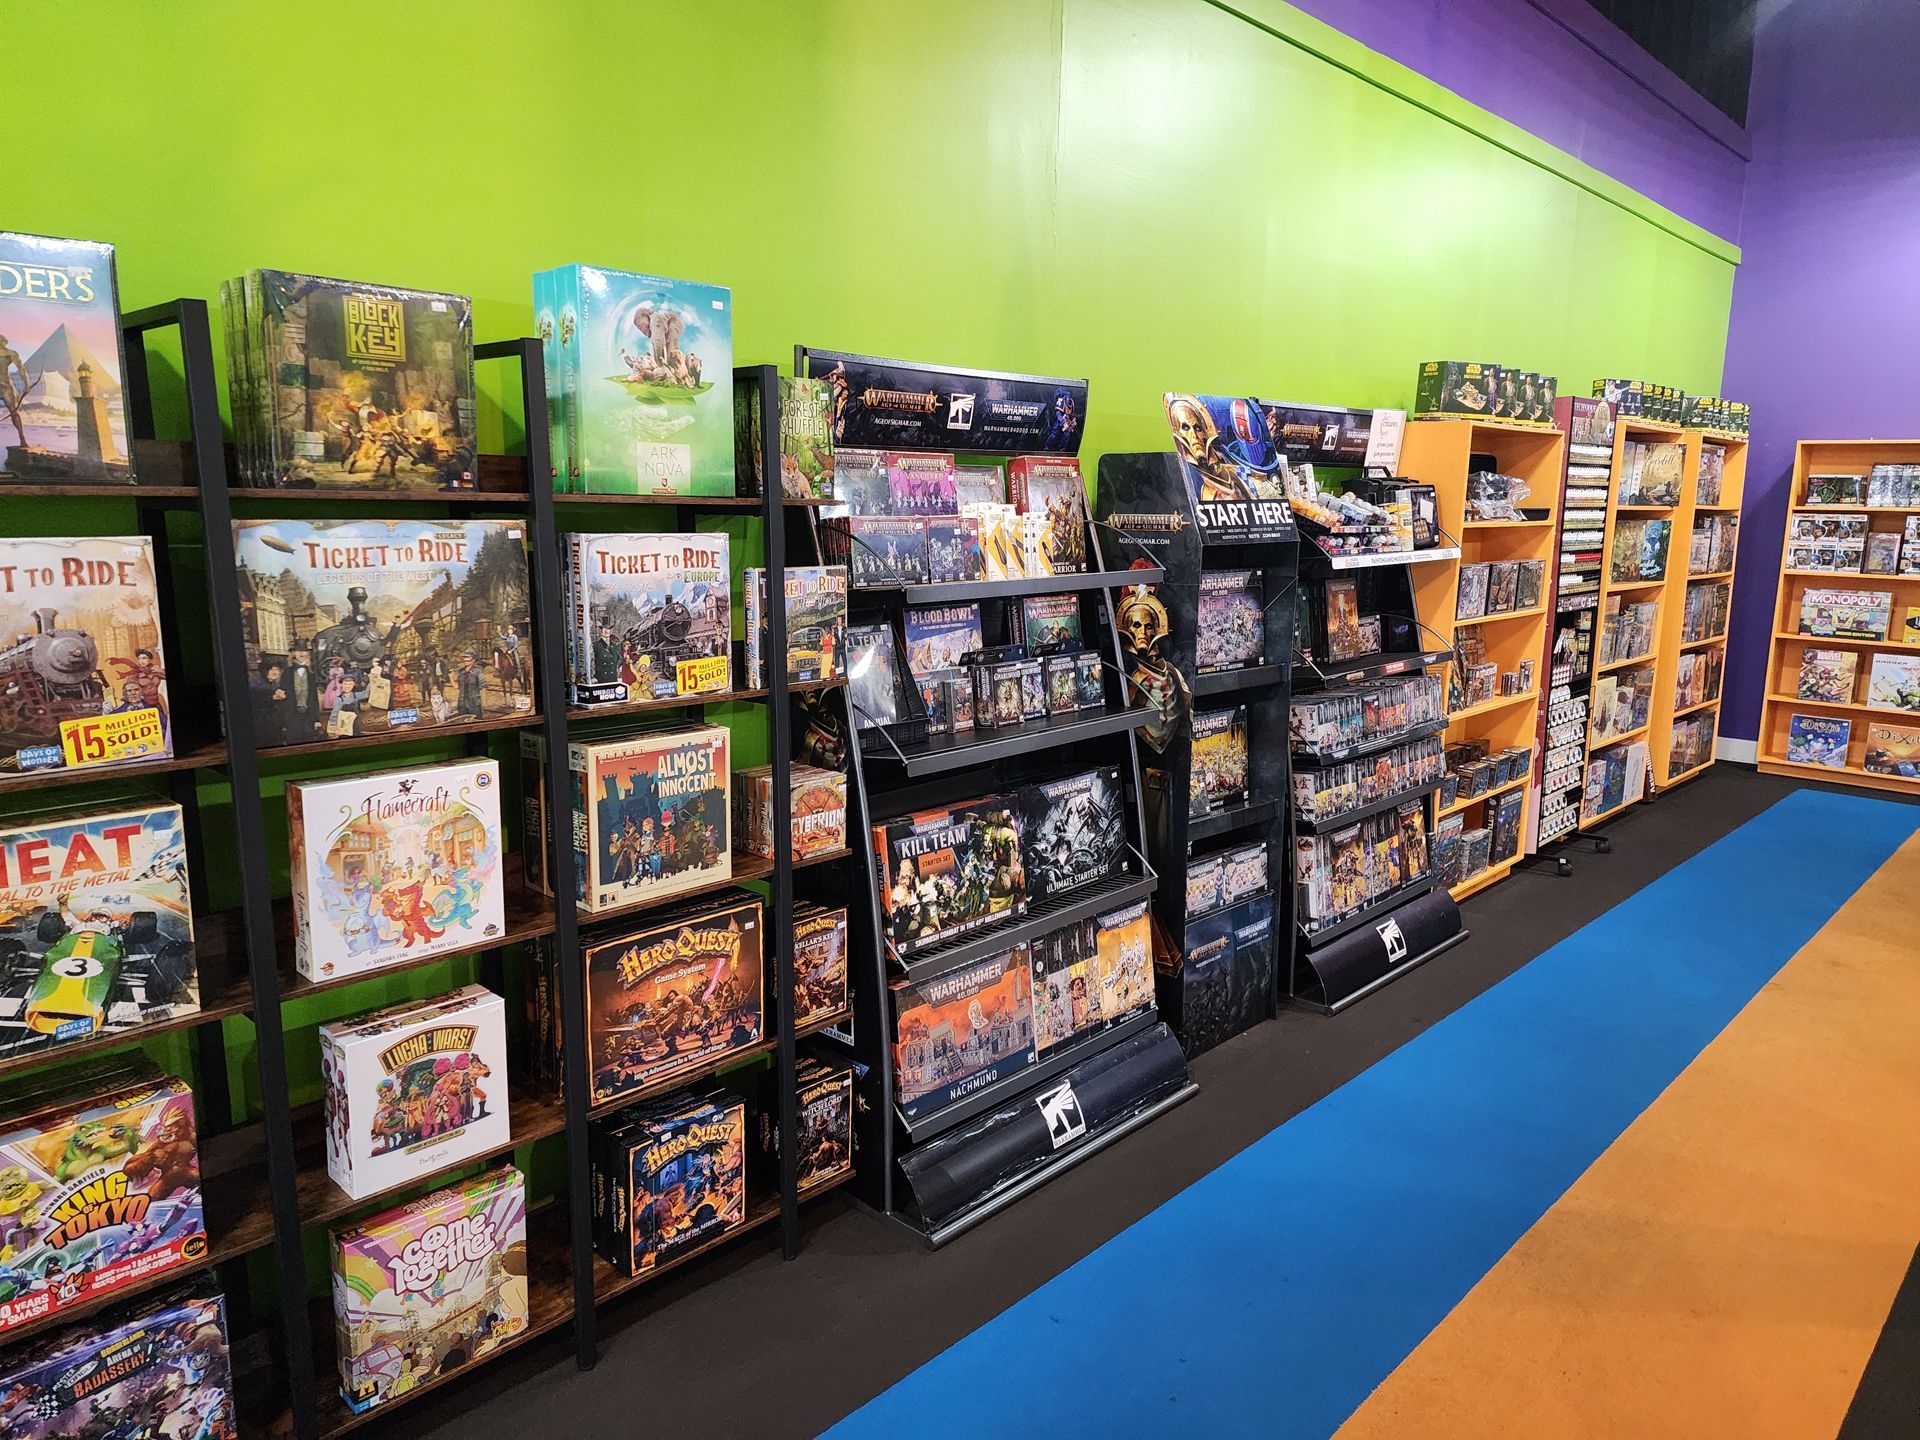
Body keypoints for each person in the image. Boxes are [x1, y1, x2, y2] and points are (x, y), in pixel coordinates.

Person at [284, 642, 321, 738]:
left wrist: (316, 719)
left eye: (304, 651)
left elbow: (314, 697)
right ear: (294, 654)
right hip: (292, 716)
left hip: (308, 715)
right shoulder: (287, 673)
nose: (302, 654)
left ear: (307, 654)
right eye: (299, 651)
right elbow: (283, 696)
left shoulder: (311, 674)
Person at [250, 661, 289, 746]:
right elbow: (254, 703)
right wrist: (272, 698)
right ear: (264, 671)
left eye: (277, 669)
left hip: (275, 725)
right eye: (272, 669)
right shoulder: (254, 685)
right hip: (261, 725)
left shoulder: (275, 685)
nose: (275, 672)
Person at [455, 651, 484, 718]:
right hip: (462, 702)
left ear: (473, 660)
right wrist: (451, 678)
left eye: (468, 657)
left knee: (477, 720)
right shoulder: (461, 671)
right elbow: (457, 686)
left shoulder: (478, 670)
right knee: (462, 720)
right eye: (465, 657)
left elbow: (482, 686)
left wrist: (483, 701)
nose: (466, 659)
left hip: (474, 701)